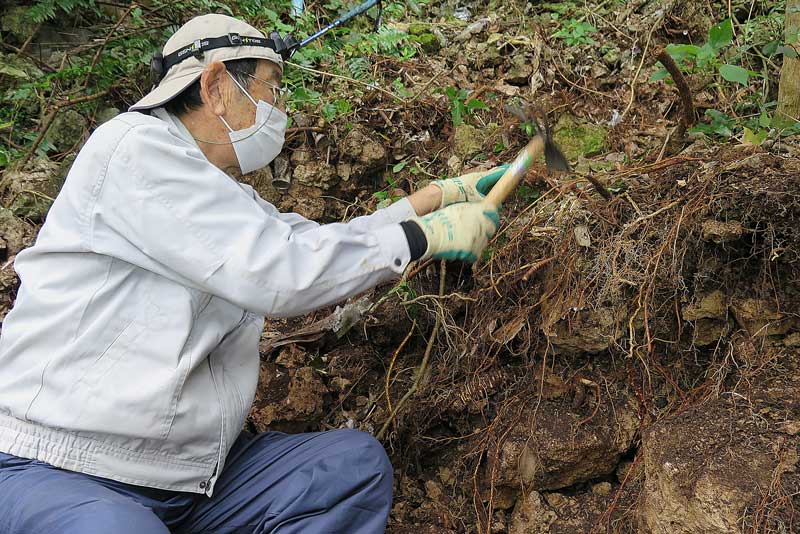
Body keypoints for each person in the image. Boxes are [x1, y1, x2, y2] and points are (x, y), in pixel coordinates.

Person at [0, 13, 503, 534]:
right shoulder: (132, 149)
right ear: (216, 86)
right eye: (273, 88)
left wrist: (424, 205)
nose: (280, 108)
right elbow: (279, 271)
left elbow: (303, 244)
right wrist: (422, 239)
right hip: (62, 466)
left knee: (345, 470)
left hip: (189, 480)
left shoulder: (221, 192)